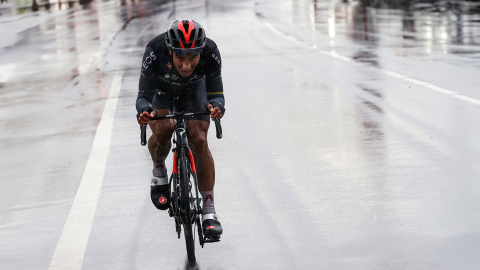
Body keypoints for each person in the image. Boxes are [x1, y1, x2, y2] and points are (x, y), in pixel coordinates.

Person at [136, 19, 224, 238]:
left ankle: (209, 212)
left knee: (199, 138)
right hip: (162, 91)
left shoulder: (211, 51)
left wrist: (218, 107)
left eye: (193, 58)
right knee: (164, 127)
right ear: (170, 51)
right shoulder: (155, 51)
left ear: (200, 52)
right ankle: (159, 171)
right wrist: (144, 111)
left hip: (194, 91)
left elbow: (216, 94)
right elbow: (143, 96)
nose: (186, 66)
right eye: (180, 58)